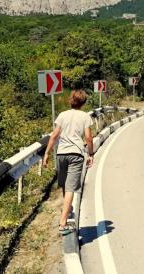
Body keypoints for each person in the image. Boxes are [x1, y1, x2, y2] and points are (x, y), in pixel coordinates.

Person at [43, 89, 94, 235]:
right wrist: (90, 153)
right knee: (71, 188)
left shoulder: (62, 115)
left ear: (71, 100)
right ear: (83, 102)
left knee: (65, 186)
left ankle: (67, 210)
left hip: (61, 154)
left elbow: (54, 135)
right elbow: (88, 138)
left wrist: (47, 153)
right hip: (76, 154)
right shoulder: (85, 117)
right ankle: (62, 223)